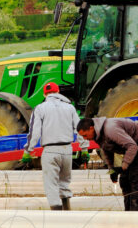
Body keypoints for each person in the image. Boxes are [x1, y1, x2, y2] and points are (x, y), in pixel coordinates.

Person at [21, 82, 88, 210]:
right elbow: (80, 129)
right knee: (64, 183)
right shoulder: (70, 108)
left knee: (51, 184)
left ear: (44, 94)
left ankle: (57, 216)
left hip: (50, 151)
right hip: (68, 150)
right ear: (58, 92)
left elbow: (34, 133)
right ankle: (67, 211)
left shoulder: (40, 108)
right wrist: (84, 148)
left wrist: (28, 150)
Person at [76, 116, 138, 211]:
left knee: (136, 178)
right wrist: (112, 169)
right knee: (124, 180)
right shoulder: (98, 134)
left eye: (85, 135)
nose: (85, 139)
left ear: (91, 128)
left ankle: (135, 211)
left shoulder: (110, 130)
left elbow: (132, 146)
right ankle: (128, 211)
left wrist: (125, 165)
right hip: (131, 145)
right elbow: (107, 150)